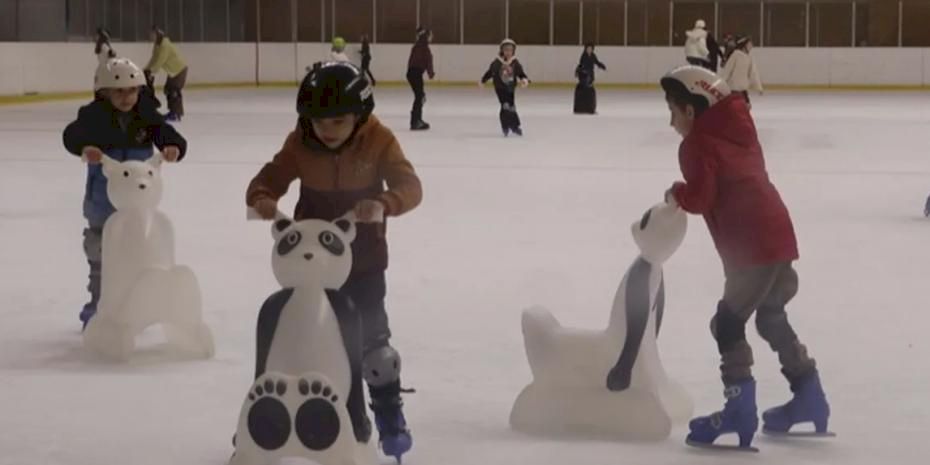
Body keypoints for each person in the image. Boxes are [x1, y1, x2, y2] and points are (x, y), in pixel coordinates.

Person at [246, 61, 423, 463]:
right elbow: (268, 178)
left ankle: (387, 409)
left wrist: (382, 203)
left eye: (338, 121)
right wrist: (261, 198)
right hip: (312, 264)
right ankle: (269, 420)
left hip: (363, 262)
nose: (326, 130)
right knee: (297, 337)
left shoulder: (379, 140)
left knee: (372, 344)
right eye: (317, 120)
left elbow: (410, 186)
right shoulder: (300, 142)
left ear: (360, 117)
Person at [659, 65, 830, 451]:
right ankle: (810, 396)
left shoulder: (697, 144)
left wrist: (677, 192)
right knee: (770, 318)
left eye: (673, 110)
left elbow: (701, 199)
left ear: (691, 109)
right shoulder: (739, 129)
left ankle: (739, 410)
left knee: (728, 324)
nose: (671, 122)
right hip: (779, 235)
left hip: (750, 246)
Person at [62, 57, 187, 330]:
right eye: (119, 91)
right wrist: (85, 147)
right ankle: (97, 308)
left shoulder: (145, 114)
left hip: (138, 205)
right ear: (103, 92)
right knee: (100, 255)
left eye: (132, 90)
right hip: (102, 202)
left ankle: (133, 306)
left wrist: (173, 147)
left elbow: (166, 133)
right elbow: (71, 135)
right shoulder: (93, 116)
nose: (127, 97)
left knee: (137, 255)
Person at [480, 39, 530, 136]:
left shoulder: (515, 62)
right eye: (506, 50)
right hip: (500, 88)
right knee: (505, 105)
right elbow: (490, 72)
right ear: (502, 50)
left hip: (510, 88)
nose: (508, 52)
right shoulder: (497, 62)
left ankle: (514, 126)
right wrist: (483, 80)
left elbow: (521, 73)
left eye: (510, 50)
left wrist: (524, 79)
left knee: (511, 107)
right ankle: (506, 126)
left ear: (513, 51)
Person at [145, 27, 189, 121]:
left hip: (179, 70)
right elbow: (154, 58)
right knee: (168, 90)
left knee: (173, 91)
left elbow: (161, 60)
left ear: (157, 34)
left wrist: (152, 71)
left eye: (152, 35)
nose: (150, 37)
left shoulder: (165, 45)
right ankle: (174, 112)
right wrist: (146, 69)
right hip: (173, 72)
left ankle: (176, 114)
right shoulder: (157, 45)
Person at [720, 36, 763, 109]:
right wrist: (721, 85)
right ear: (744, 45)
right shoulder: (735, 55)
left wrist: (759, 87)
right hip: (733, 89)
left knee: (747, 107)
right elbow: (727, 71)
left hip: (743, 90)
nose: (751, 46)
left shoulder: (749, 58)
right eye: (749, 44)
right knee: (734, 108)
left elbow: (753, 74)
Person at [406, 27, 435, 131]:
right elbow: (429, 61)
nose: (432, 37)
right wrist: (431, 74)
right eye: (431, 35)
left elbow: (411, 60)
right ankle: (415, 122)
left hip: (411, 73)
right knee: (419, 97)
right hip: (416, 73)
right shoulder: (425, 48)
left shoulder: (417, 46)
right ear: (427, 36)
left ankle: (417, 120)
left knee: (420, 96)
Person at [574, 43, 607, 115]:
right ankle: (582, 109)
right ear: (585, 49)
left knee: (590, 93)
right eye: (588, 48)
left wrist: (602, 66)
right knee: (585, 93)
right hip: (584, 77)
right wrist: (579, 72)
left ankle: (590, 109)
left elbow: (597, 62)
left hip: (590, 76)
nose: (589, 50)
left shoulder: (593, 55)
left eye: (590, 49)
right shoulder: (583, 56)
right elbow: (581, 65)